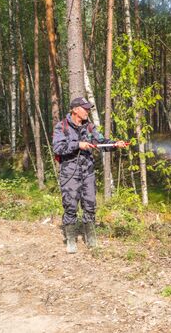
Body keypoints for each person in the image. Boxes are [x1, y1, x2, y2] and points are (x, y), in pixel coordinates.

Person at [52, 97, 127, 253]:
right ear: (75, 110)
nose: (88, 111)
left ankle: (91, 238)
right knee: (70, 205)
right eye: (85, 108)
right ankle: (71, 240)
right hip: (69, 173)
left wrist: (115, 144)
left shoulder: (90, 127)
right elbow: (58, 148)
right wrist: (77, 145)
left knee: (90, 204)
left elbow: (101, 141)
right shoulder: (62, 127)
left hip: (88, 171)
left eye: (88, 108)